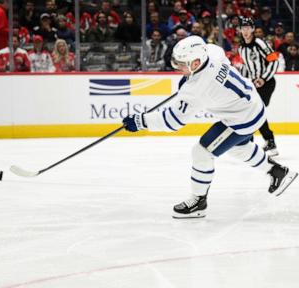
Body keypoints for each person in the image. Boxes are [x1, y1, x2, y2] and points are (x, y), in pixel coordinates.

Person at [122, 36, 297, 218]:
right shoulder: (212, 53)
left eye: (182, 64)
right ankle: (278, 172)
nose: (178, 68)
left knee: (202, 152)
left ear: (196, 62)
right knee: (238, 148)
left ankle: (199, 201)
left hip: (241, 119)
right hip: (252, 105)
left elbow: (172, 121)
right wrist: (189, 81)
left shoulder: (197, 89)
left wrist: (141, 121)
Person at [238, 18, 279, 156]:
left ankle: (263, 141)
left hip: (267, 83)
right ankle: (263, 142)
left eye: (248, 28)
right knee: (253, 111)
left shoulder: (259, 43)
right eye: (243, 28)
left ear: (253, 29)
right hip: (254, 84)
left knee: (255, 111)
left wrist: (263, 78)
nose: (245, 31)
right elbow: (246, 66)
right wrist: (242, 81)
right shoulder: (241, 48)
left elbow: (274, 60)